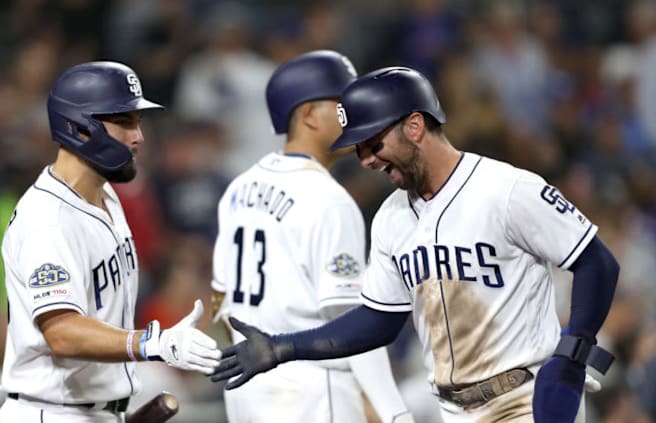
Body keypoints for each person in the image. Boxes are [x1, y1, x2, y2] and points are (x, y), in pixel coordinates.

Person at [211, 66, 620, 423]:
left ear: (414, 126)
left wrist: (573, 349)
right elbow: (378, 320)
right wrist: (284, 347)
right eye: (359, 150)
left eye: (373, 143)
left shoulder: (508, 190)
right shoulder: (391, 218)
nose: (366, 160)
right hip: (452, 410)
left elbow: (597, 262)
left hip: (523, 401)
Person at [0, 61, 221, 423]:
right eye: (124, 122)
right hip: (53, 411)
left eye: (139, 122)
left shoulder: (107, 195)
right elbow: (62, 332)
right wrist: (152, 343)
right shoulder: (47, 221)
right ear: (79, 127)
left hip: (97, 409)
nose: (138, 137)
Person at [210, 51, 413, 423]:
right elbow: (354, 323)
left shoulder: (238, 187)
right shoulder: (328, 199)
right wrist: (392, 411)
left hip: (248, 388)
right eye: (341, 104)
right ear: (307, 116)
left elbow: (218, 302)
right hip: (313, 391)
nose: (353, 112)